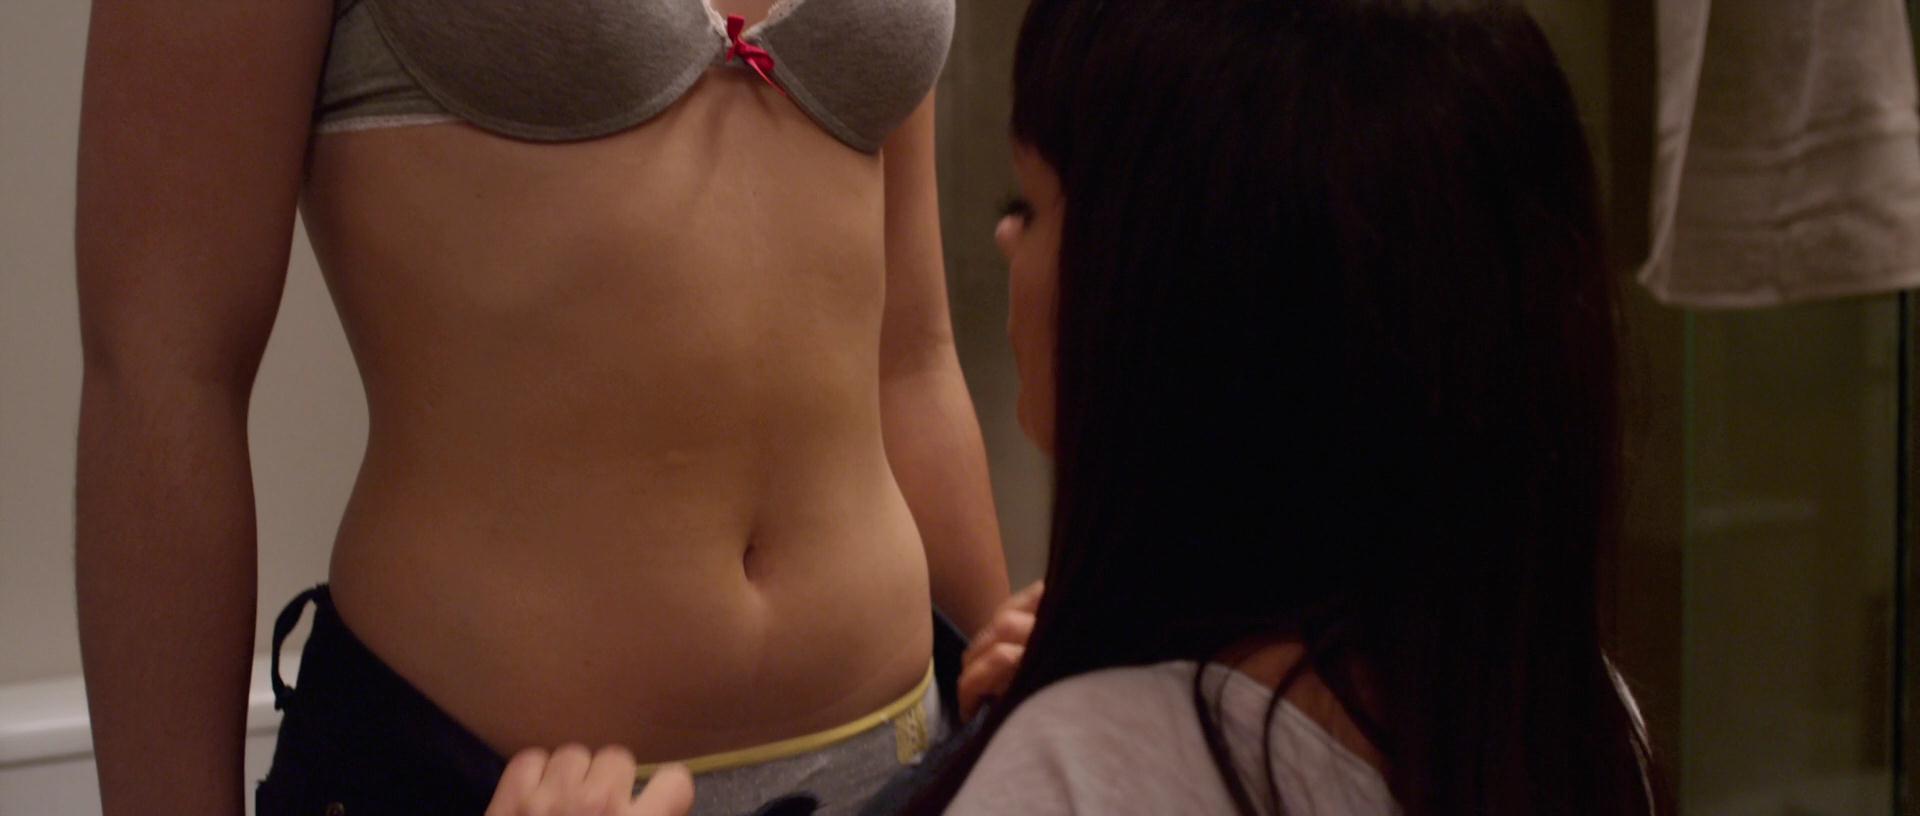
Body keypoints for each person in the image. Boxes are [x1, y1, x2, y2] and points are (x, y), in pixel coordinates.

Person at [491, 0, 1658, 812]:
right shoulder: (1575, 722)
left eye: (1038, 205)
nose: (1006, 240)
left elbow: (913, 354)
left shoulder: (1093, 776)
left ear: (1202, 305)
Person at [71, 0, 1011, 813]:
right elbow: (160, 374)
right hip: (472, 780)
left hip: (907, 762)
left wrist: (1015, 711)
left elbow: (912, 359)